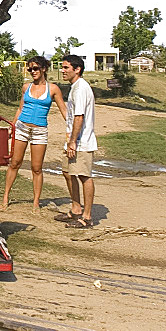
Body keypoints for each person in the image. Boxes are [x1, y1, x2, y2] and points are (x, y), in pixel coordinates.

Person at [1, 55, 67, 211]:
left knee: (36, 168)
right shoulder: (26, 87)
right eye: (30, 69)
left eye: (35, 68)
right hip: (22, 128)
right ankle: (5, 197)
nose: (32, 71)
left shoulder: (53, 89)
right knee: (15, 163)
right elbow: (20, 108)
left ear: (43, 69)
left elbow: (64, 110)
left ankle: (36, 202)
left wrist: (72, 128)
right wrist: (13, 126)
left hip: (40, 131)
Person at [56, 54, 97, 229]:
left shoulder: (81, 88)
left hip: (82, 141)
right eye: (62, 67)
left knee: (83, 175)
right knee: (68, 172)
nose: (62, 70)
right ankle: (76, 208)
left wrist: (73, 141)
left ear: (77, 69)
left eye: (66, 67)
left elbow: (79, 117)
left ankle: (86, 217)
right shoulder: (75, 87)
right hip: (73, 140)